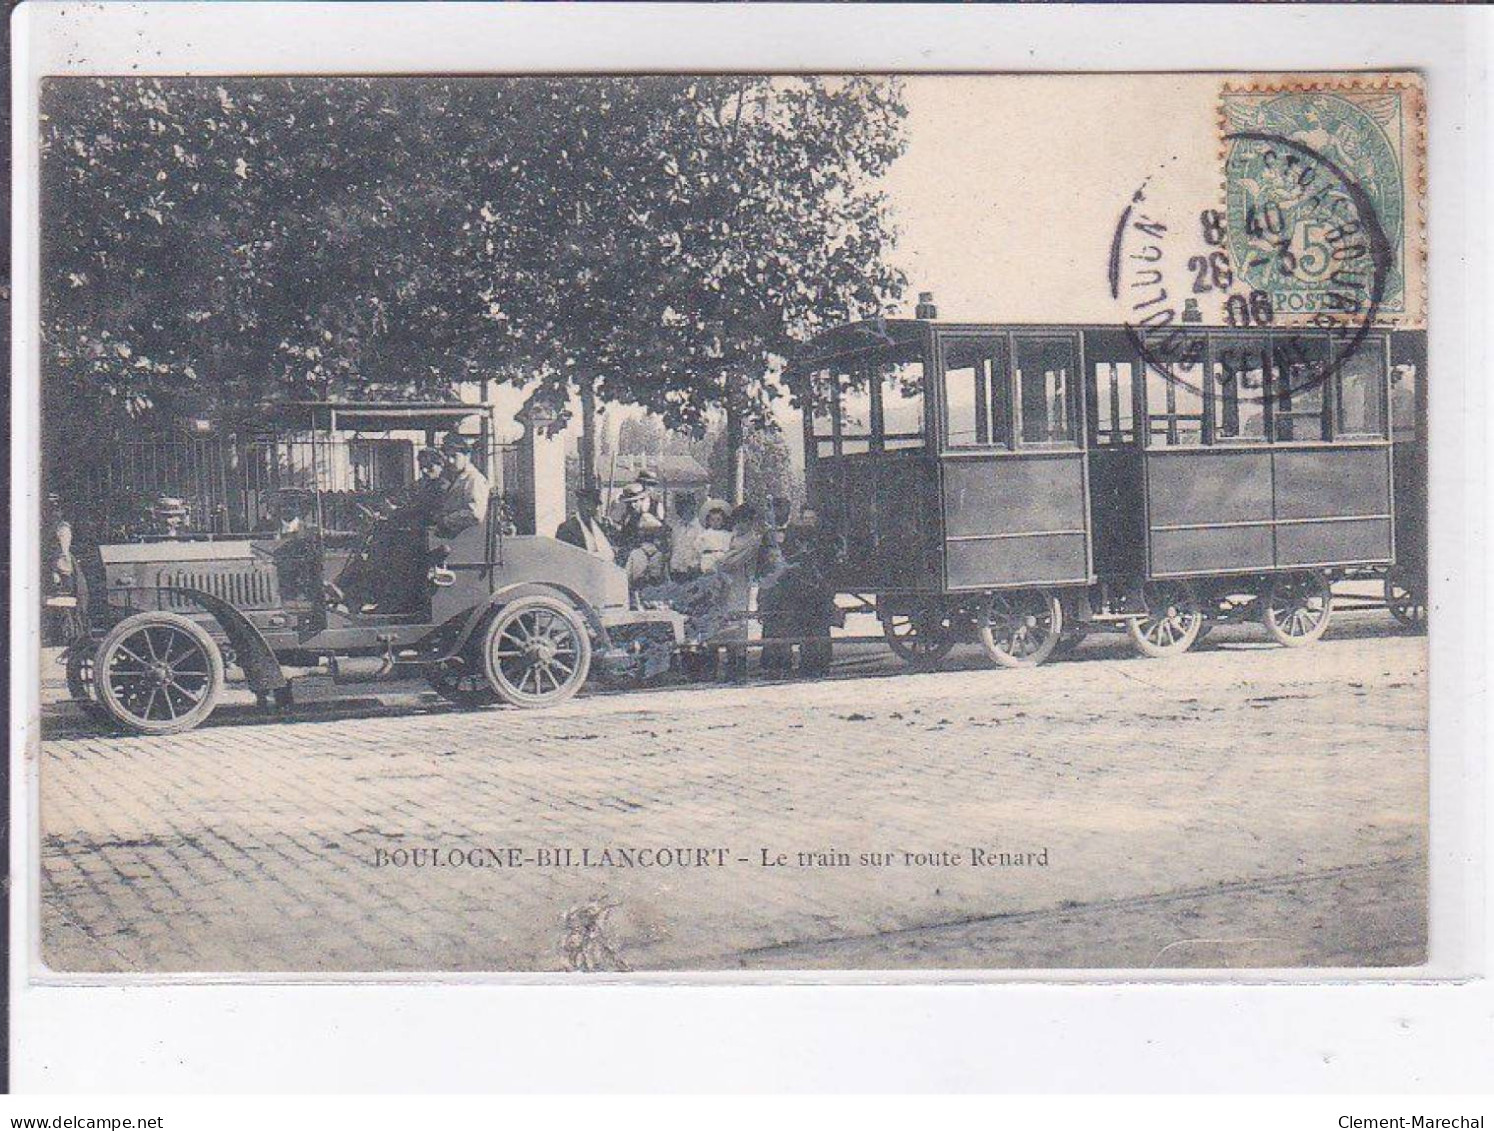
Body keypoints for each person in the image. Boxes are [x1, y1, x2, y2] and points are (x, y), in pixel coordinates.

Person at [433, 432, 490, 537]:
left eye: (454, 456)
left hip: (467, 541)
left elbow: (475, 514)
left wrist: (446, 520)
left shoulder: (474, 479)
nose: (450, 461)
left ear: (467, 455)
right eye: (447, 456)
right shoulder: (457, 477)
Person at [555, 486, 615, 561]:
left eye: (594, 505)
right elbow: (563, 556)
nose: (590, 508)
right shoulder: (566, 528)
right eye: (586, 504)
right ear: (579, 505)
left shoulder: (599, 527)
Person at [625, 513, 669, 589]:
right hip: (656, 595)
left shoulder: (634, 554)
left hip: (638, 595)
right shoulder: (660, 555)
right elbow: (665, 580)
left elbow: (627, 577)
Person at [667, 493, 703, 580]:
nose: (684, 510)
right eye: (680, 507)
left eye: (687, 506)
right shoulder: (676, 528)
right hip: (676, 573)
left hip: (693, 573)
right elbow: (673, 549)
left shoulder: (700, 529)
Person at [694, 499, 733, 573]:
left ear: (723, 521)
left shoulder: (728, 534)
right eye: (712, 520)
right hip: (708, 559)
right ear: (708, 521)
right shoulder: (705, 534)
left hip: (723, 559)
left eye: (718, 520)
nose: (715, 522)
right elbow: (697, 546)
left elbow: (730, 547)